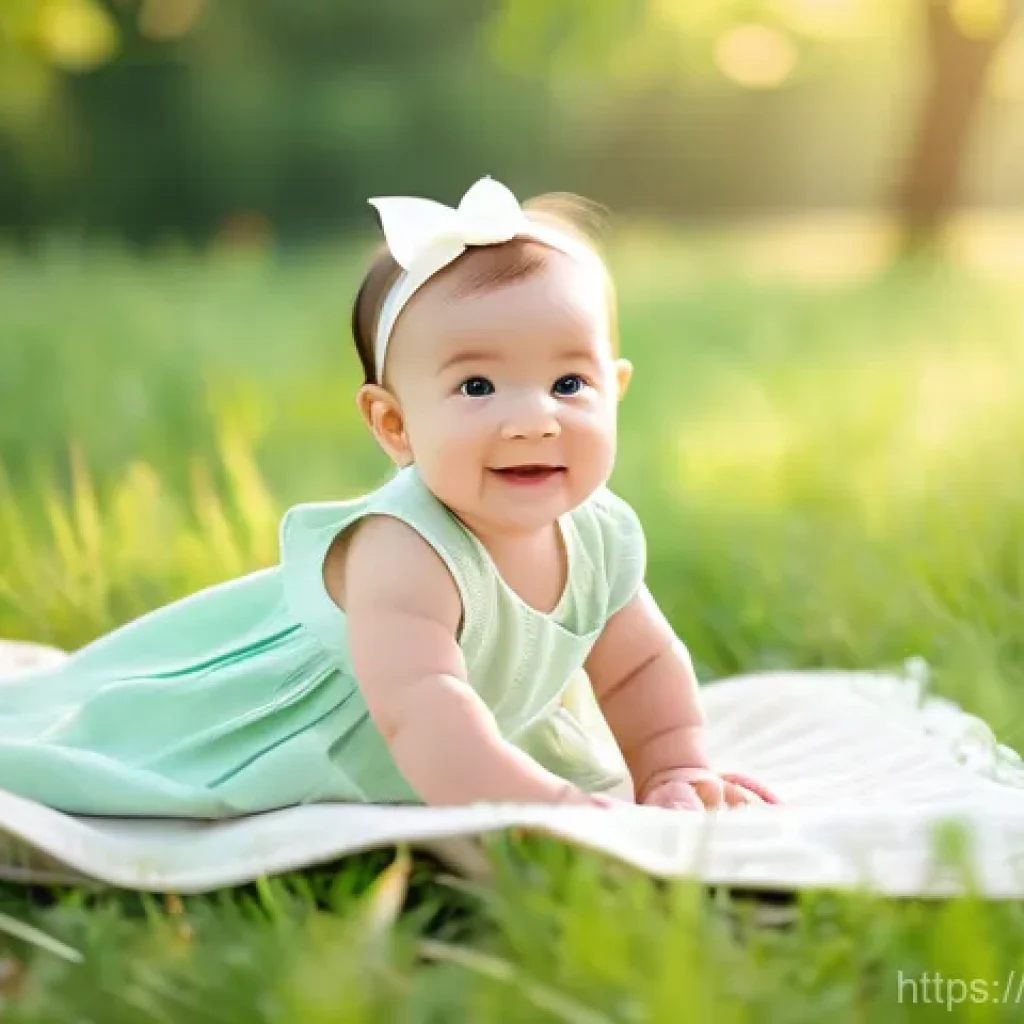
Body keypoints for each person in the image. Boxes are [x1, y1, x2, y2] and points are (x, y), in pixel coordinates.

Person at [0, 177, 778, 818]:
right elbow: (422, 707)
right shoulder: (401, 549)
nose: (534, 419)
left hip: (460, 751)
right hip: (285, 728)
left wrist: (673, 766)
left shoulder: (600, 534)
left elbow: (640, 668)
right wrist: (537, 805)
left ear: (616, 390)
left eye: (569, 383)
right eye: (477, 385)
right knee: (90, 741)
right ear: (394, 424)